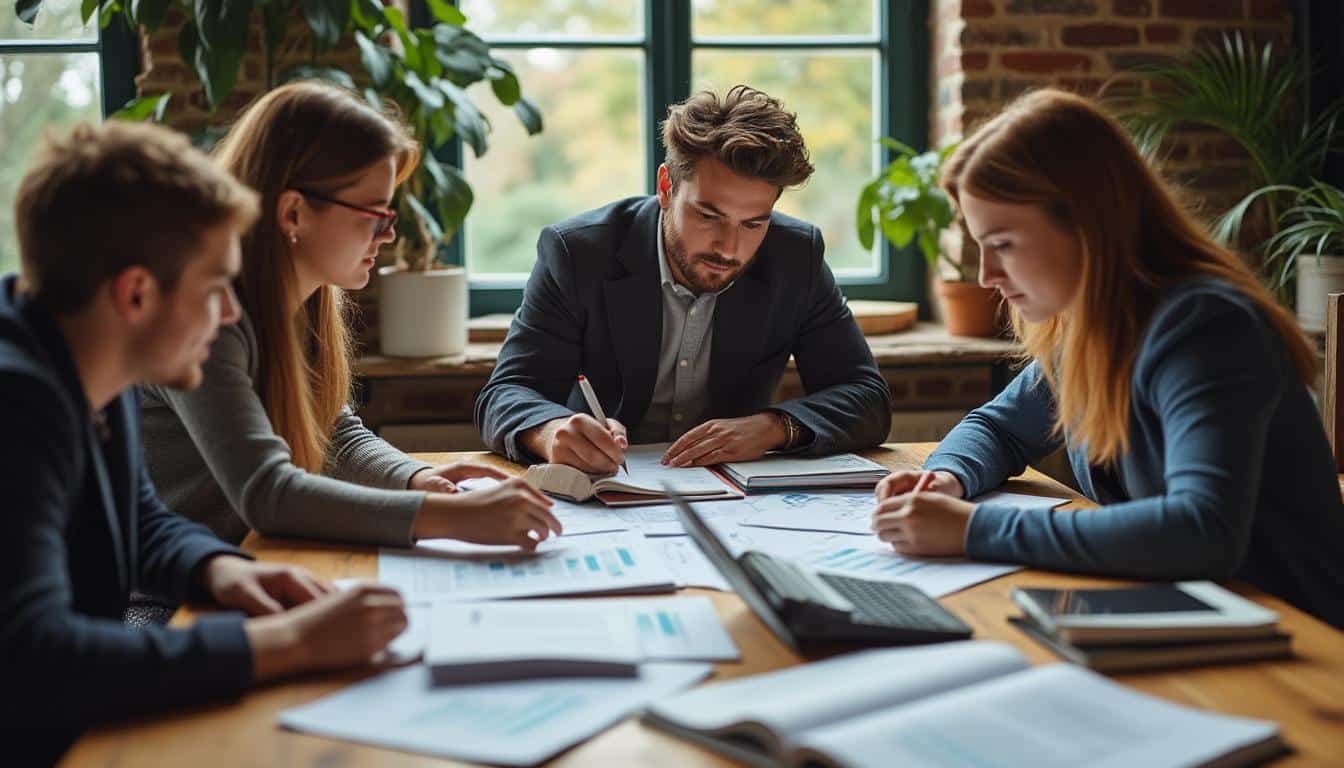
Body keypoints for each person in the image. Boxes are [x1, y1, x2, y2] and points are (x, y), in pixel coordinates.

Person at [0, 121, 412, 763]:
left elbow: (142, 520)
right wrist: (293, 643)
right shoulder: (18, 408)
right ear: (136, 293)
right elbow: (42, 662)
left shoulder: (89, 356)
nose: (230, 314)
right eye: (216, 286)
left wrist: (223, 569)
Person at [870, 89, 1344, 629]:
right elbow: (998, 428)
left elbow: (1202, 528)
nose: (986, 276)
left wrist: (971, 530)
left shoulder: (1206, 326)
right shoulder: (1093, 326)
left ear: (1085, 225)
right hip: (1200, 616)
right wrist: (944, 479)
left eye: (1002, 244)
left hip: (1302, 636)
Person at [140, 81, 560, 549]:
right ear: (294, 213)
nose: (388, 235)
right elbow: (267, 493)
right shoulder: (204, 318)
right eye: (375, 214)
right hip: (172, 582)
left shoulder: (306, 301)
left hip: (250, 560)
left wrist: (417, 478)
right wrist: (449, 517)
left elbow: (335, 436)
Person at [475, 85, 891, 474]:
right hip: (603, 489)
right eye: (709, 216)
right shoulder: (578, 254)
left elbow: (867, 397)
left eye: (753, 224)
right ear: (666, 187)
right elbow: (505, 393)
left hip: (738, 498)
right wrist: (550, 433)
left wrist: (774, 428)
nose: (729, 248)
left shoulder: (795, 256)